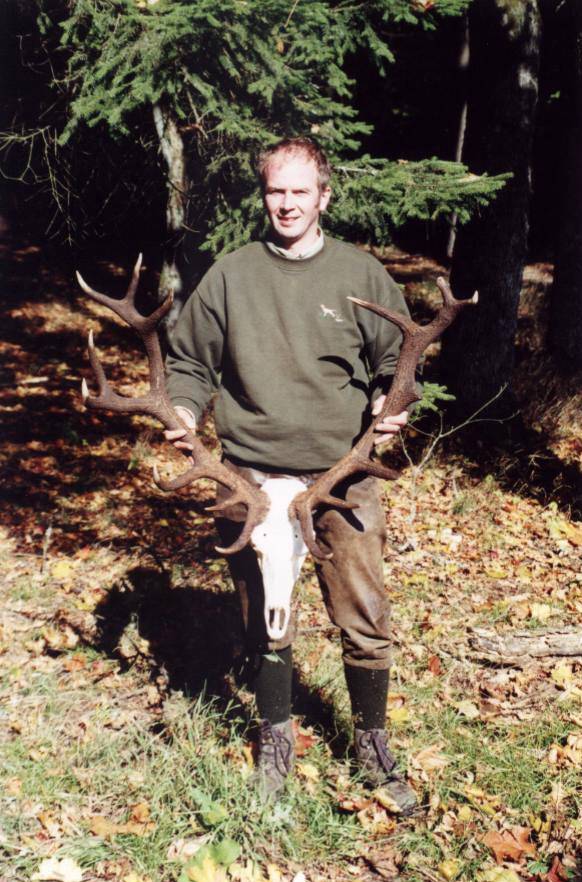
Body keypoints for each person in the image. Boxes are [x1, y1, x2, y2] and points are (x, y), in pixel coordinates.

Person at [164, 137, 417, 813]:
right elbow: (190, 363)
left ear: (324, 197)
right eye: (276, 190)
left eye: (300, 191)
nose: (287, 203)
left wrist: (387, 404)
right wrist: (184, 411)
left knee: (364, 611)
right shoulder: (232, 276)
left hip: (341, 476)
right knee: (265, 611)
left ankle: (371, 741)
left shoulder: (361, 274)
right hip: (250, 478)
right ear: (264, 196)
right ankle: (275, 737)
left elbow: (398, 362)